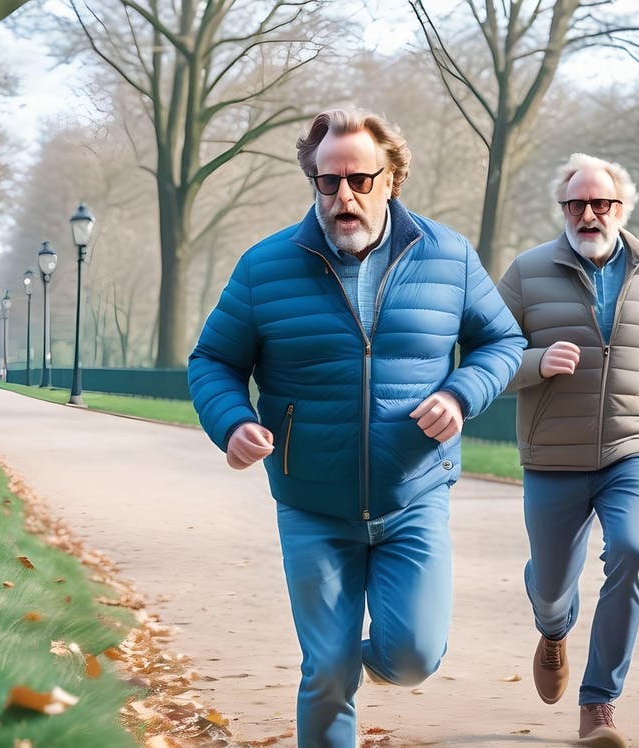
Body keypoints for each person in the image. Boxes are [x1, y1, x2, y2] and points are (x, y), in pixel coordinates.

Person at [187, 107, 526, 748]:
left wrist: (461, 393)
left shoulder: (448, 256)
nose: (344, 196)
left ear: (391, 178)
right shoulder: (266, 267)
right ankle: (336, 668)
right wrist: (231, 423)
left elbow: (502, 341)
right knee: (327, 672)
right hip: (312, 503)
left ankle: (354, 662)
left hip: (413, 495)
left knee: (415, 656)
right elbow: (212, 360)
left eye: (360, 180)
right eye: (328, 181)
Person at [496, 153, 639, 748]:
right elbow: (484, 353)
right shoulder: (527, 272)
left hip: (632, 447)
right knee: (552, 585)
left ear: (622, 208)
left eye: (602, 203)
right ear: (563, 209)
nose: (589, 214)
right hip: (552, 454)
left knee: (630, 551)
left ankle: (599, 702)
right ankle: (553, 631)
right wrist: (534, 363)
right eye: (576, 203)